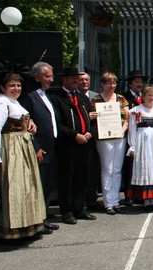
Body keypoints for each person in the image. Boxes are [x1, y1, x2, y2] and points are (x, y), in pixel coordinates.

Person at [0, 72, 46, 241]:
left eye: (18, 85)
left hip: (22, 149)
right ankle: (10, 231)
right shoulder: (0, 104)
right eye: (12, 86)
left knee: (26, 189)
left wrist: (31, 124)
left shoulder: (15, 103)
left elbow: (22, 121)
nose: (16, 89)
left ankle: (26, 227)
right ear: (2, 88)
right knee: (14, 189)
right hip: (11, 150)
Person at [50, 67, 97, 224]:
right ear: (64, 79)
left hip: (85, 144)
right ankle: (67, 210)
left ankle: (79, 208)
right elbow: (57, 123)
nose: (76, 81)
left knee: (82, 178)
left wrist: (91, 133)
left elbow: (93, 119)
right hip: (68, 145)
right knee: (67, 178)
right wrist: (74, 135)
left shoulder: (83, 98)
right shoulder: (56, 98)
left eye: (77, 78)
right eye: (72, 78)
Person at [19, 62, 59, 232]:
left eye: (51, 76)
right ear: (37, 77)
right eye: (47, 76)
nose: (51, 79)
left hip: (52, 146)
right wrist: (36, 147)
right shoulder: (29, 97)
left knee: (48, 184)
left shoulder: (46, 95)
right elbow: (27, 125)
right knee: (39, 184)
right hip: (40, 148)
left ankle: (44, 216)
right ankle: (38, 221)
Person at [92, 71, 130, 215]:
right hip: (103, 139)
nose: (111, 85)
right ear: (102, 84)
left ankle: (116, 201)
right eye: (108, 83)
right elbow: (90, 118)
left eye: (113, 83)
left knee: (117, 169)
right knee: (107, 169)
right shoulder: (95, 100)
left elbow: (127, 118)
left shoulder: (121, 99)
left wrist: (123, 130)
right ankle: (108, 202)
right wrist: (91, 115)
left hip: (119, 137)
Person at [121, 70, 147, 207]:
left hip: (143, 136)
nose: (139, 84)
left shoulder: (146, 97)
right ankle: (129, 195)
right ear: (130, 84)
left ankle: (140, 194)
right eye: (136, 82)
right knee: (129, 166)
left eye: (141, 82)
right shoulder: (123, 98)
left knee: (142, 165)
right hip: (129, 136)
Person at [79, 71, 103, 212]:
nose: (85, 82)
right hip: (77, 138)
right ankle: (80, 202)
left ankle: (92, 200)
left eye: (87, 80)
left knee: (93, 170)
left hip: (94, 137)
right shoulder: (73, 96)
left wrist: (91, 133)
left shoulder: (96, 97)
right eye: (81, 80)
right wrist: (87, 117)